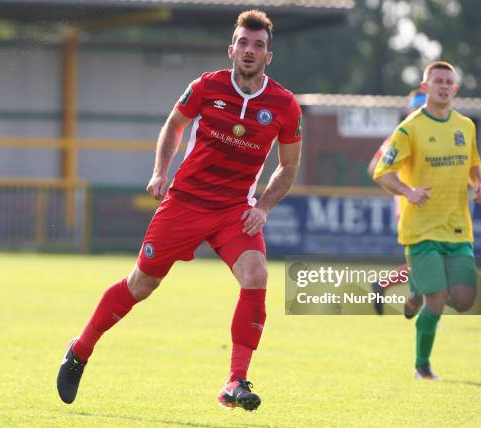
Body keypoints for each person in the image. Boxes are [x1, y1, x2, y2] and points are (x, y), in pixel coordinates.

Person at [56, 10, 302, 411]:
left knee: (256, 275)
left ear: (269, 56)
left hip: (234, 210)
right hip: (186, 202)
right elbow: (174, 126)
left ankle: (235, 381)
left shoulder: (284, 105)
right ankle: (80, 351)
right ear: (231, 49)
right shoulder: (206, 86)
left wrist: (266, 207)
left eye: (258, 45)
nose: (250, 51)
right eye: (243, 43)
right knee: (141, 286)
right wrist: (159, 173)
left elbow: (289, 167)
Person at [373, 61, 481, 380]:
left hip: (457, 226)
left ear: (455, 89)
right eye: (437, 80)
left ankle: (415, 293)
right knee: (437, 299)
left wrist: (479, 185)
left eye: (448, 81)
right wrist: (408, 191)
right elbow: (381, 171)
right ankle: (422, 366)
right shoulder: (409, 128)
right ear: (425, 87)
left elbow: (473, 167)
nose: (443, 85)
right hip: (420, 227)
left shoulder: (466, 126)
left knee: (465, 298)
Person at [367, 89, 426, 317]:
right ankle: (414, 295)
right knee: (428, 258)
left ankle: (384, 285)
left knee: (429, 259)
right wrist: (402, 190)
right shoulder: (399, 136)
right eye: (417, 107)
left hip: (430, 205)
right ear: (410, 110)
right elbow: (374, 168)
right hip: (409, 204)